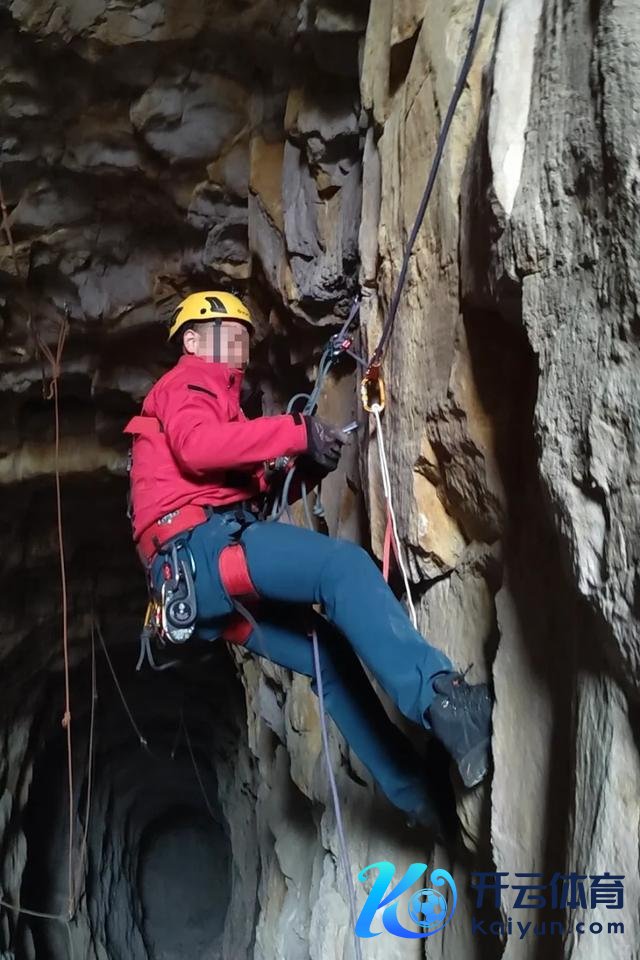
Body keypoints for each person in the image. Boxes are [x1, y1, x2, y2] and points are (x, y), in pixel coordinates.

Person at [124, 291, 493, 840]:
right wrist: (297, 432)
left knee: (327, 659)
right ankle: (447, 704)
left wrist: (307, 465)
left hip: (201, 591)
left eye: (247, 331)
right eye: (231, 330)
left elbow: (243, 497)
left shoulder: (215, 405)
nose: (244, 340)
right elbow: (199, 449)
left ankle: (423, 801)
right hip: (204, 555)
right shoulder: (187, 383)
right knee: (340, 570)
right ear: (194, 341)